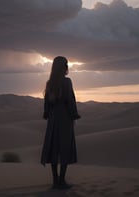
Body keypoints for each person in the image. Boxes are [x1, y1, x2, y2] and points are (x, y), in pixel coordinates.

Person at [41, 56, 81, 189]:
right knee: (64, 147)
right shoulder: (67, 82)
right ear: (63, 67)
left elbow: (46, 103)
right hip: (64, 119)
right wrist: (74, 115)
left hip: (53, 119)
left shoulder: (49, 83)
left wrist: (47, 113)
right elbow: (70, 100)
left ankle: (55, 181)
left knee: (54, 148)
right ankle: (62, 181)